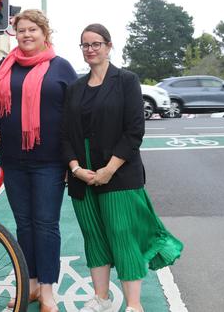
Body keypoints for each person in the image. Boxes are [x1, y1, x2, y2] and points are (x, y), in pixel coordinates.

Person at [61, 24, 183, 312]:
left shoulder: (126, 80)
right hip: (83, 178)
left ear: (108, 45)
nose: (90, 49)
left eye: (96, 44)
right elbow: (64, 134)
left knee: (122, 236)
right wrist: (76, 169)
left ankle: (134, 304)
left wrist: (109, 170)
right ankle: (101, 299)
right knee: (94, 238)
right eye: (85, 45)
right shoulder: (75, 89)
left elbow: (134, 131)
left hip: (118, 175)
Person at [0, 9, 77, 312]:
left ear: (44, 33)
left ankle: (48, 290)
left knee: (46, 225)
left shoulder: (61, 68)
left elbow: (75, 117)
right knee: (24, 225)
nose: (26, 35)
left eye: (32, 30)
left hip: (50, 162)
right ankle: (32, 284)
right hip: (12, 159)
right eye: (21, 30)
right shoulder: (3, 68)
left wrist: (72, 161)